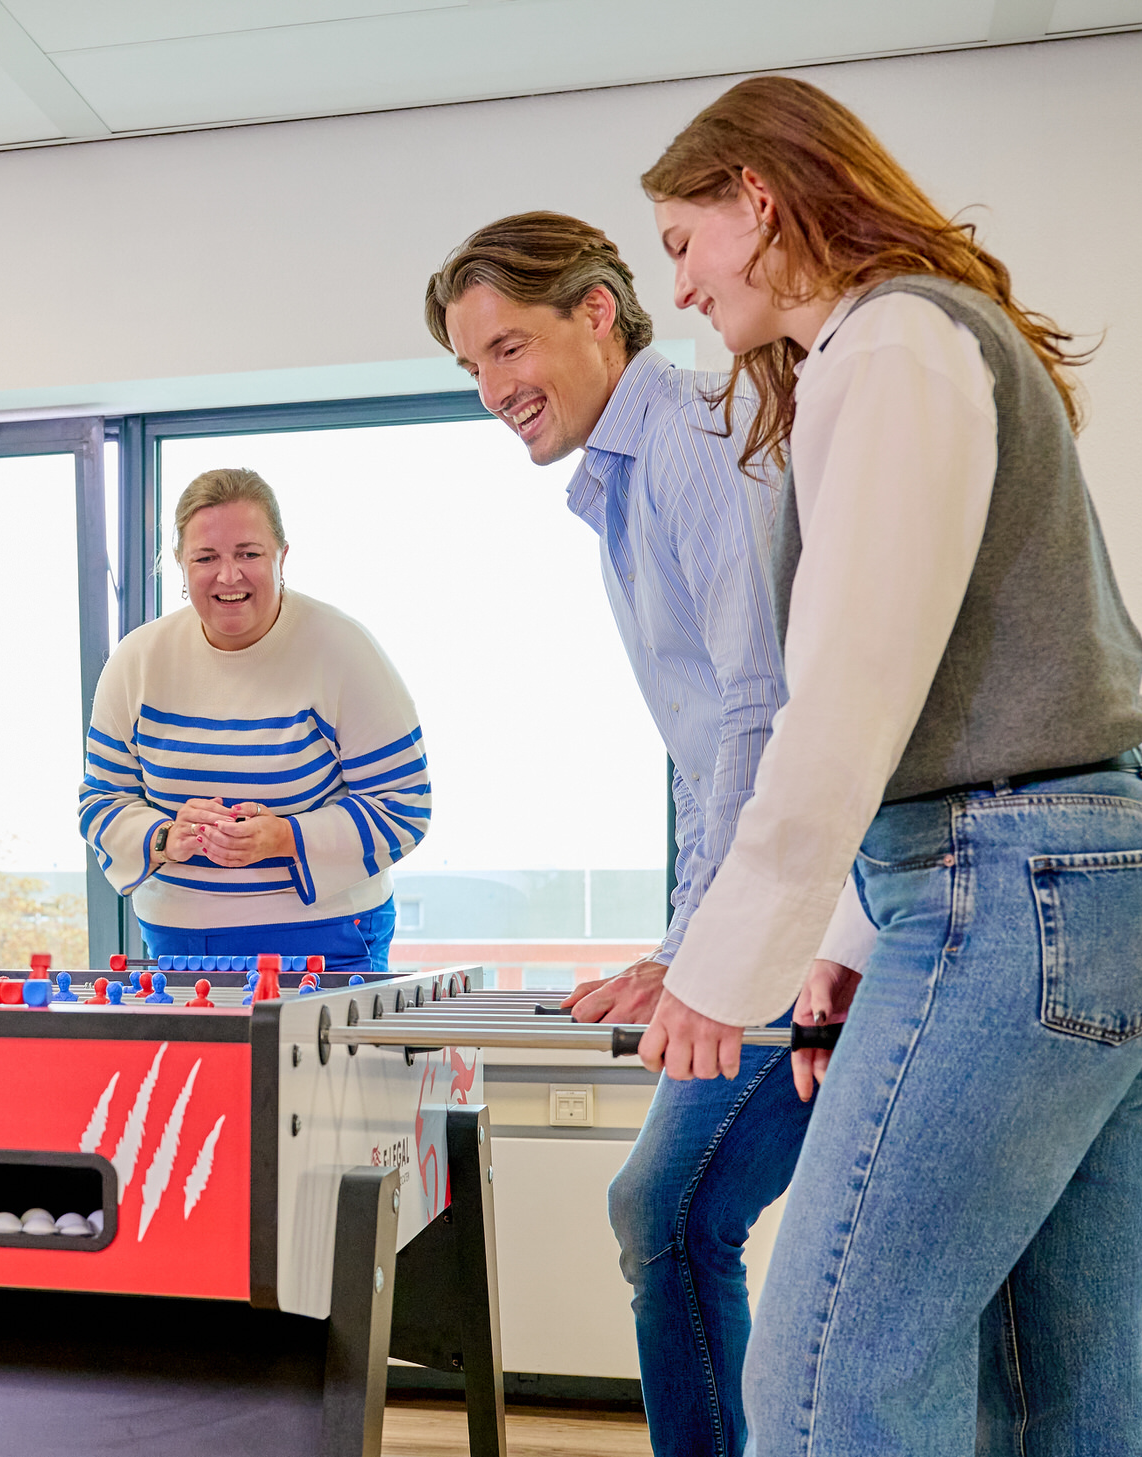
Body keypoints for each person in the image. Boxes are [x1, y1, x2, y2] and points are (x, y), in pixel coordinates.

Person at [638, 76, 1142, 1454]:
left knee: (829, 1378)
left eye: (681, 241)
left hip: (1019, 892)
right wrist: (850, 936)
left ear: (756, 199)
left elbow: (848, 695)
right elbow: (924, 686)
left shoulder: (891, 343)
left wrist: (724, 965)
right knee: (1054, 1390)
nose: (681, 287)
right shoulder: (920, 339)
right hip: (1094, 879)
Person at [425, 211, 796, 1457]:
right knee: (1017, 1277)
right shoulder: (620, 486)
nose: (493, 389)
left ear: (597, 311)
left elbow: (759, 709)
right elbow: (701, 755)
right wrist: (677, 939)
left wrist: (700, 954)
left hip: (831, 918)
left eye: (508, 347)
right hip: (784, 912)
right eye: (472, 366)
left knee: (671, 1211)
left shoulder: (693, 444)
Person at [80, 468, 426, 974]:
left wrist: (285, 837)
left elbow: (404, 805)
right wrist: (164, 837)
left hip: (329, 937)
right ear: (179, 564)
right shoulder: (137, 661)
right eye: (206, 558)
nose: (228, 576)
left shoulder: (344, 651)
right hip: (179, 942)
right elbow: (101, 802)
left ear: (282, 556)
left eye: (248, 554)